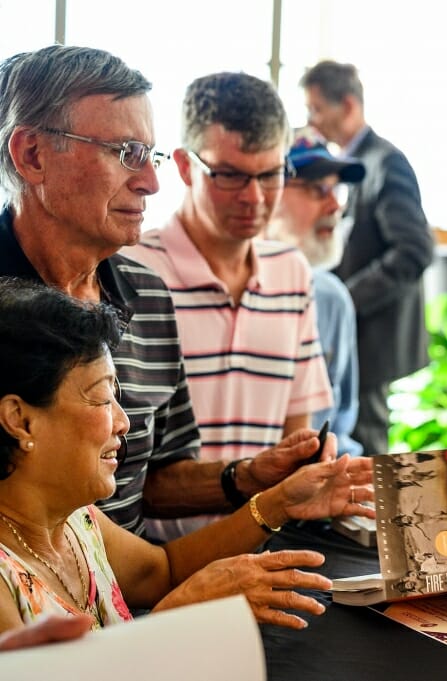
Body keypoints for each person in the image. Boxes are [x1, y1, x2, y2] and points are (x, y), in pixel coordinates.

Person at [0, 45, 342, 539]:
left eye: (150, 154)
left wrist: (245, 477)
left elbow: (153, 480)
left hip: (134, 599)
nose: (151, 183)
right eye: (126, 154)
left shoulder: (149, 296)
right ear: (32, 155)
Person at [0, 278, 374, 635]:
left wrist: (279, 502)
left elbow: (162, 571)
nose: (123, 422)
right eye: (100, 398)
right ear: (20, 419)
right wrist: (177, 618)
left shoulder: (79, 520)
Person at [122, 73, 338, 541]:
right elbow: (121, 472)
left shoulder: (291, 272)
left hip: (261, 555)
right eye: (230, 175)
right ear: (184, 166)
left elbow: (295, 438)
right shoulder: (131, 271)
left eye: (270, 174)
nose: (254, 197)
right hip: (151, 564)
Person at [300, 60, 435, 456]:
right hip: (355, 332)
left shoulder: (386, 162)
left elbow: (414, 250)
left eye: (316, 109)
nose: (312, 120)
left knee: (367, 447)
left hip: (371, 336)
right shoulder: (354, 162)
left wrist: (343, 298)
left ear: (347, 104)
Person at [266, 126, 366, 457]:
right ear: (268, 192)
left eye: (336, 191)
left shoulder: (331, 298)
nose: (333, 205)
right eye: (315, 189)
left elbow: (339, 428)